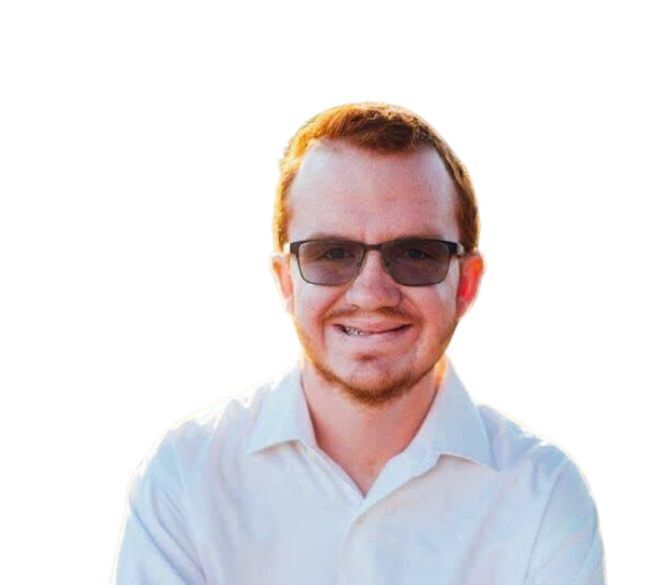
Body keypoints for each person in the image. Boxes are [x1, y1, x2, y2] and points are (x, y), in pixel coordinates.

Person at [114, 103, 605, 584]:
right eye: (332, 254)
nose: (371, 292)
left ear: (465, 284)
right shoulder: (185, 477)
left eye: (416, 254)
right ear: (287, 281)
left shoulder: (543, 496)